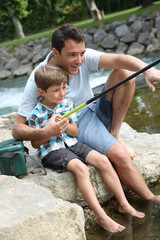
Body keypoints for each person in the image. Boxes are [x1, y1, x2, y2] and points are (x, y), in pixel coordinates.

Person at [12, 23, 160, 203]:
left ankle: (114, 133)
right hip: (78, 123)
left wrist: (149, 70)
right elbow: (17, 129)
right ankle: (151, 199)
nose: (79, 60)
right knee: (120, 154)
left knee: (125, 71)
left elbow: (120, 59)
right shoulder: (40, 78)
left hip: (94, 108)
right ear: (56, 52)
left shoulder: (81, 57)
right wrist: (46, 132)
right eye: (72, 55)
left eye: (82, 53)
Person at [27, 65, 145, 233]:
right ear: (42, 92)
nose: (62, 93)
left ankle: (124, 204)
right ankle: (101, 216)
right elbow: (35, 144)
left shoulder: (67, 104)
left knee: (103, 160)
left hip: (72, 142)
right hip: (51, 149)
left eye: (63, 88)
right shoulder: (36, 114)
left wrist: (66, 125)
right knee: (81, 168)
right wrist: (50, 129)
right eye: (56, 90)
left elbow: (75, 131)